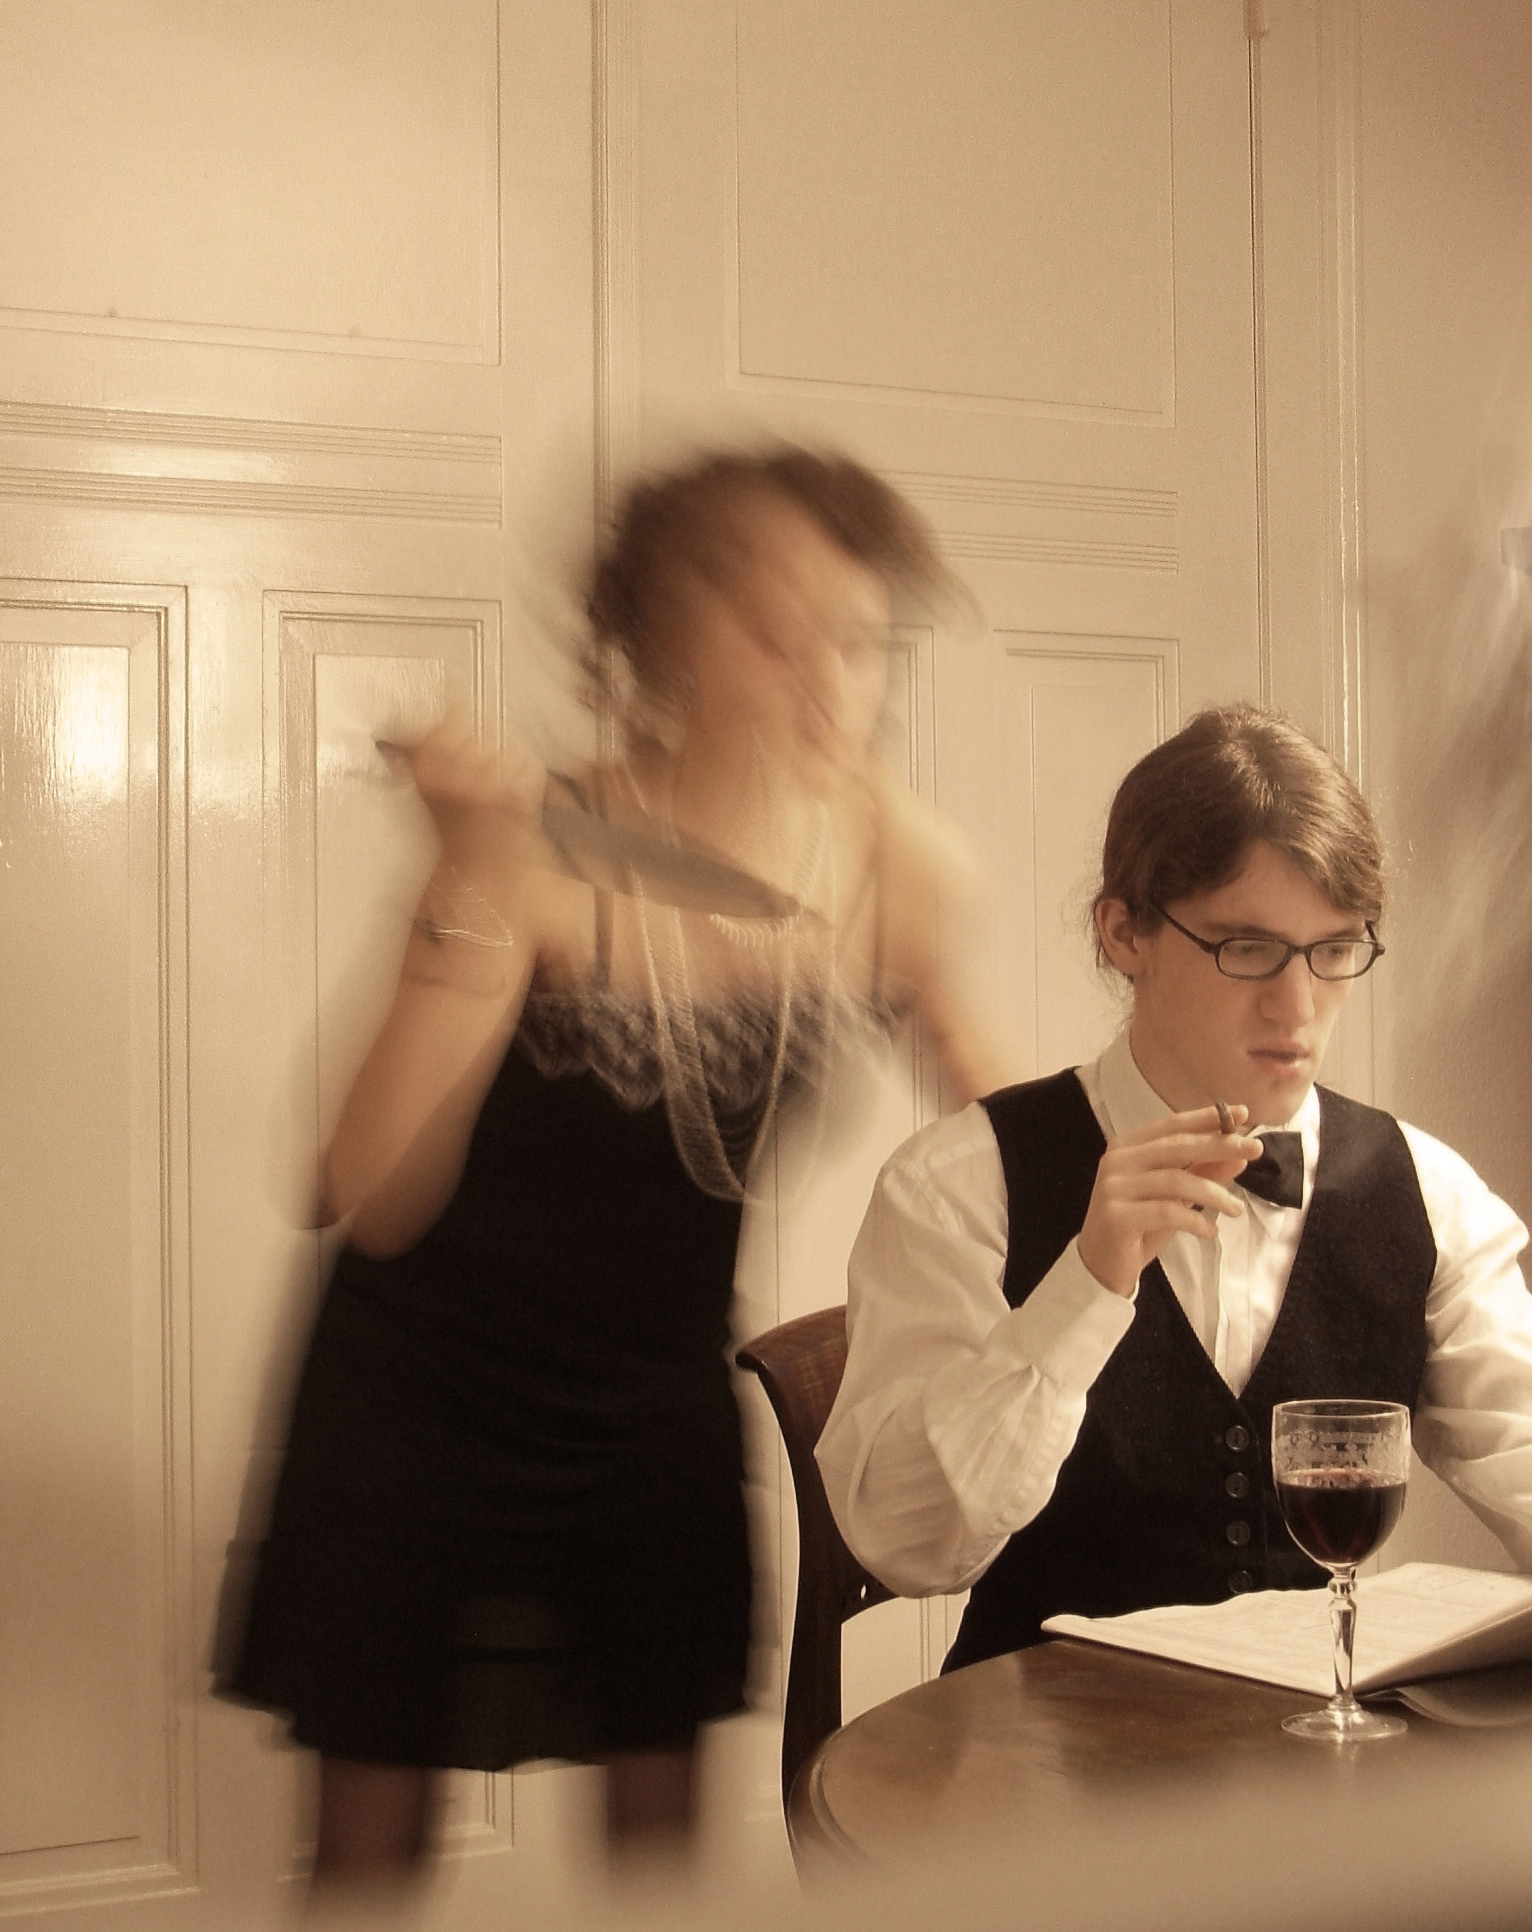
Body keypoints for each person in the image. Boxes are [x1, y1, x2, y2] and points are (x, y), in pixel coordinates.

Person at [220, 446, 1013, 1888]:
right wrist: (471, 874)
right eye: (774, 634)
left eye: (856, 641)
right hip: (415, 1408)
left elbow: (1013, 1134)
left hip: (652, 1412)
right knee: (367, 1866)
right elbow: (358, 1189)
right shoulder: (531, 846)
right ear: (657, 641)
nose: (826, 682)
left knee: (658, 1862)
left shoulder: (894, 862)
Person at [817, 704, 1532, 1670]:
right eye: (1247, 950)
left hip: (1320, 1743)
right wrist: (1084, 1289)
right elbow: (906, 1544)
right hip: (1032, 1742)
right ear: (1125, 932)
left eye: (1335, 950)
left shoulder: (1430, 1194)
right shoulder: (955, 1187)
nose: (1298, 1006)